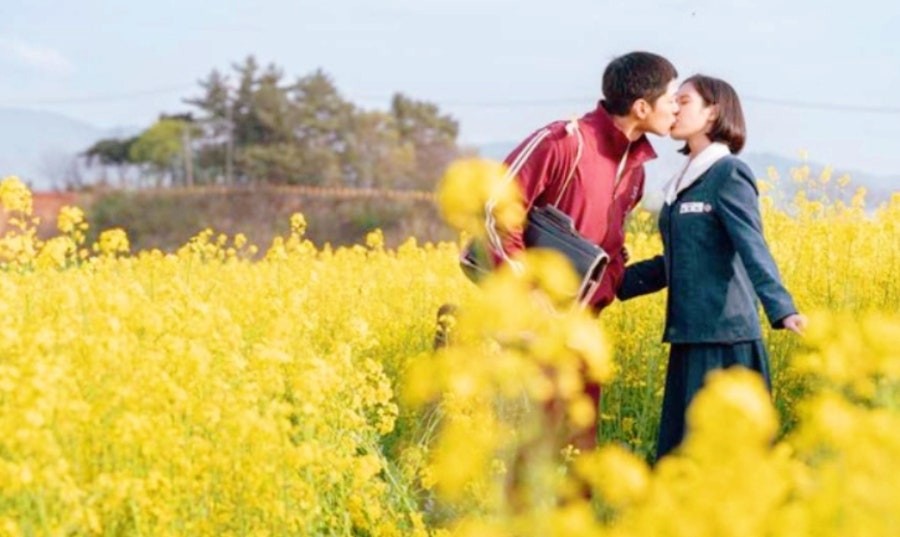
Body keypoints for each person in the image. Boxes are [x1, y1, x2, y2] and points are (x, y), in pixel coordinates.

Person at [473, 51, 680, 452]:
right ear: (642, 107)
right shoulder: (563, 141)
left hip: (581, 333)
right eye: (671, 98)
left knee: (575, 452)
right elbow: (495, 211)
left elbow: (612, 245)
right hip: (528, 330)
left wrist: (608, 283)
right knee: (524, 453)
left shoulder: (636, 171)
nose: (676, 108)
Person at [616, 74, 806, 461]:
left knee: (729, 460)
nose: (673, 108)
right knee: (682, 459)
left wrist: (782, 308)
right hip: (689, 338)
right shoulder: (681, 182)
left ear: (713, 113)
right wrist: (612, 282)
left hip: (726, 340)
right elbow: (680, 260)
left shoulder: (727, 173)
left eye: (684, 101)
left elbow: (752, 245)